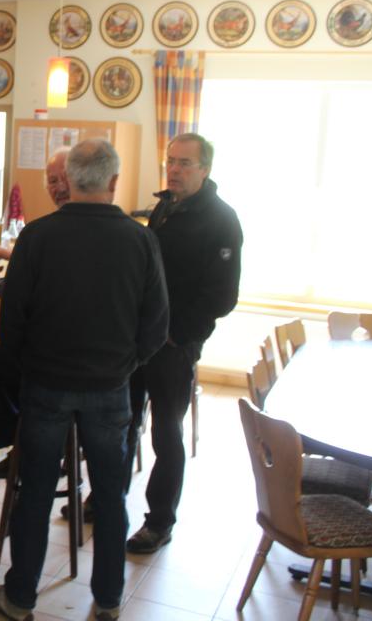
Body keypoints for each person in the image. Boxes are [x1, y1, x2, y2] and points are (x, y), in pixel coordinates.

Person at [0, 139, 168, 621]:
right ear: (113, 182)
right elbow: (156, 325)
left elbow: (13, 322)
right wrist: (125, 365)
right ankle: (108, 600)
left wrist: (30, 367)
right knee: (109, 496)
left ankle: (20, 596)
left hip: (46, 383)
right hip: (110, 386)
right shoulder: (140, 240)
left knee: (35, 491)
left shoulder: (39, 236)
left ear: (70, 180)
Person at [124, 132, 242, 555]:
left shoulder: (222, 219)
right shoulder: (165, 207)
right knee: (124, 422)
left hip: (174, 345)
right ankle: (105, 500)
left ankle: (159, 523)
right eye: (171, 161)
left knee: (166, 434)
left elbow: (222, 296)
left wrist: (178, 334)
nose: (173, 169)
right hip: (140, 339)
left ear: (205, 169)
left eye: (184, 163)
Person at [0, 148, 70, 479]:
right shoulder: (82, 232)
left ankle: (26, 445)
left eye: (64, 178)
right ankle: (42, 445)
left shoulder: (44, 232)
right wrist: (12, 254)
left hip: (48, 364)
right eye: (52, 180)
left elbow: (30, 295)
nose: (58, 187)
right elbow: (51, 273)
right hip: (89, 370)